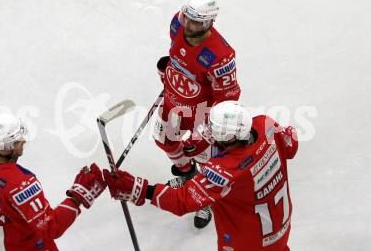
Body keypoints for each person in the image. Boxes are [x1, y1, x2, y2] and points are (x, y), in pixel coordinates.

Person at [105, 101, 298, 250]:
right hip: (280, 233)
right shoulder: (266, 125)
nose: (210, 133)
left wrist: (139, 188)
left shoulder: (225, 170)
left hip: (246, 243)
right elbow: (291, 147)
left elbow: (182, 201)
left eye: (214, 130)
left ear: (229, 138)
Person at [0, 112, 106, 251]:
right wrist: (77, 196)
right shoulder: (20, 184)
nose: (23, 141)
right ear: (5, 147)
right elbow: (51, 227)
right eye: (17, 141)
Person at [153, 0, 241, 228]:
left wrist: (207, 133)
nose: (188, 25)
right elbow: (177, 56)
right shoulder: (176, 24)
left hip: (201, 112)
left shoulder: (221, 58)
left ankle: (204, 198)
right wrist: (167, 73)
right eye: (187, 18)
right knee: (164, 139)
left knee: (205, 157)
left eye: (196, 22)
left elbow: (228, 99)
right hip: (174, 101)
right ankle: (186, 174)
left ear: (210, 22)